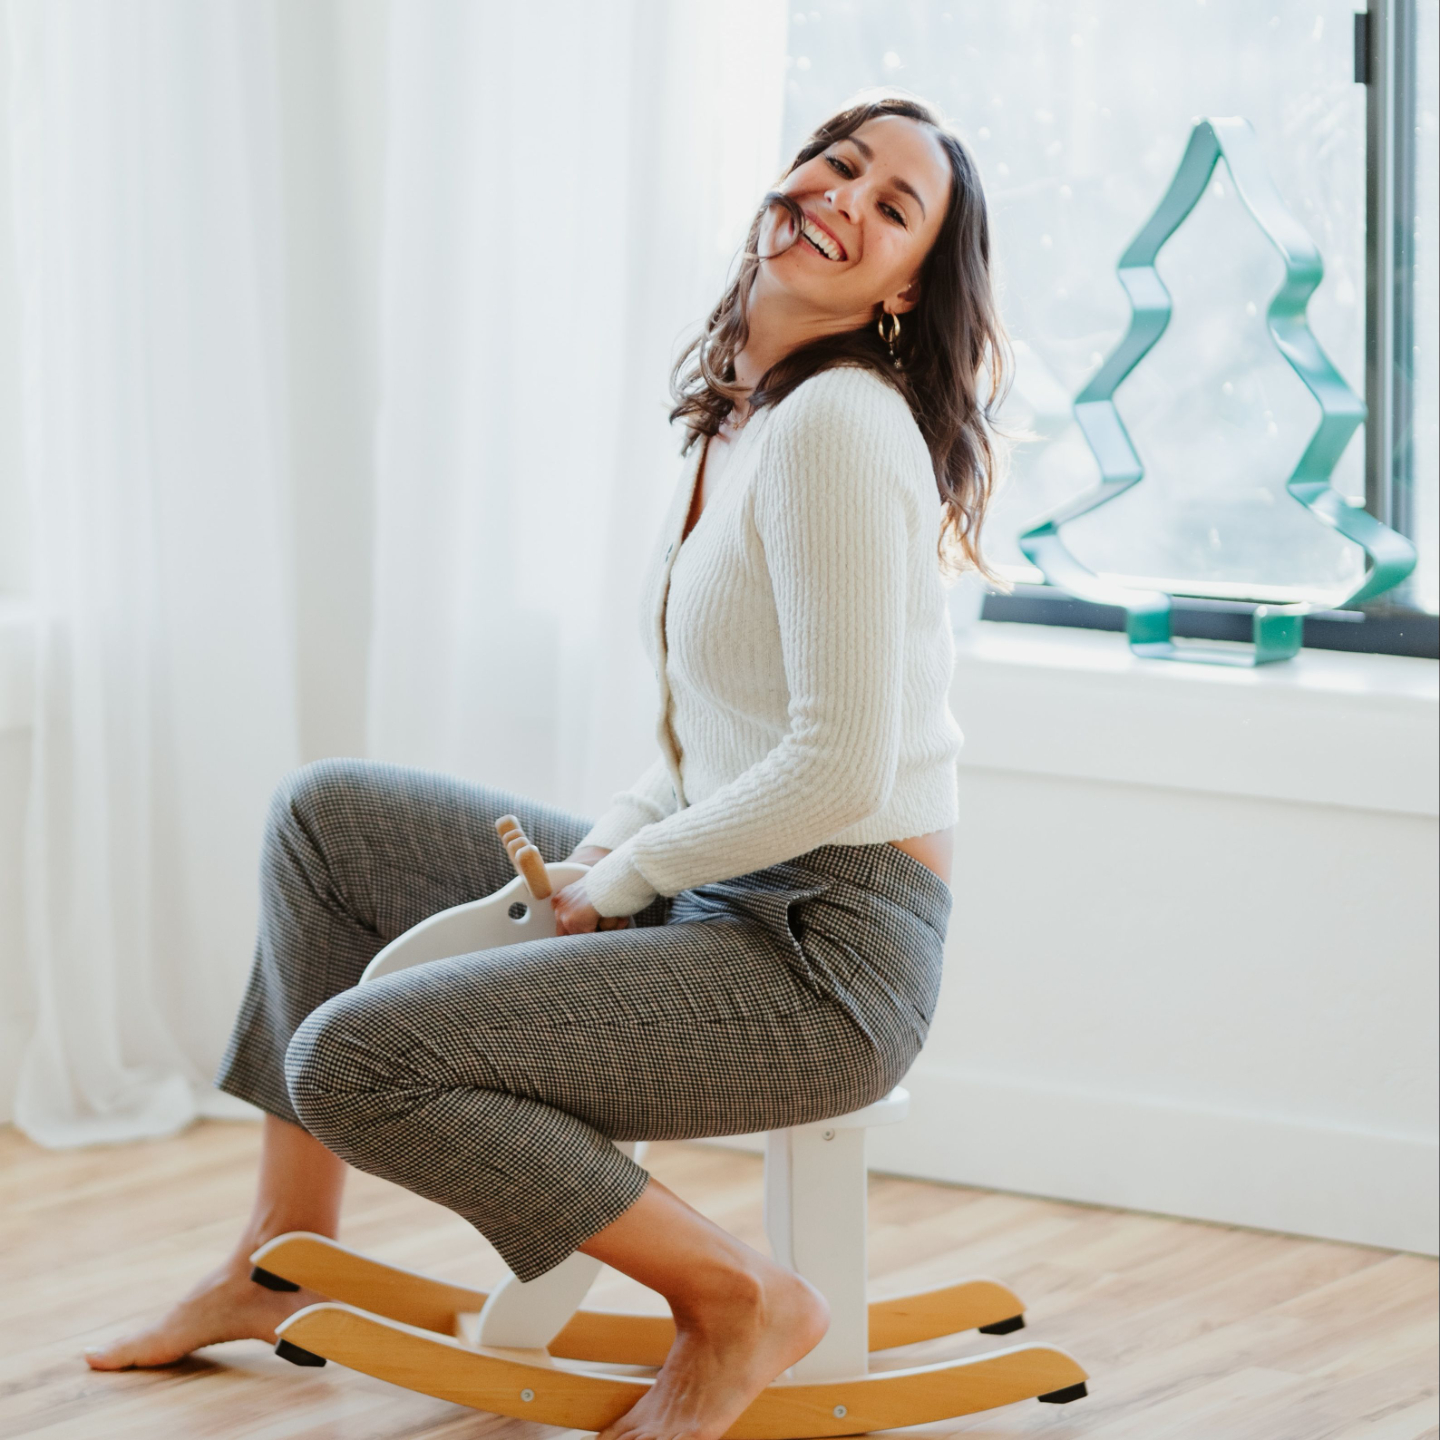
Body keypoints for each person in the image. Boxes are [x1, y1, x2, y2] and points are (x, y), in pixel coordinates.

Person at [85, 93, 1012, 1440]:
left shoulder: (840, 427)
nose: (843, 199)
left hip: (827, 958)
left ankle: (740, 1298)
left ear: (906, 290)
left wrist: (621, 878)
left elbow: (840, 774)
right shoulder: (747, 421)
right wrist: (611, 852)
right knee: (327, 823)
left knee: (357, 1060)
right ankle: (277, 1259)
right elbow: (713, 740)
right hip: (731, 888)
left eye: (892, 209)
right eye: (840, 161)